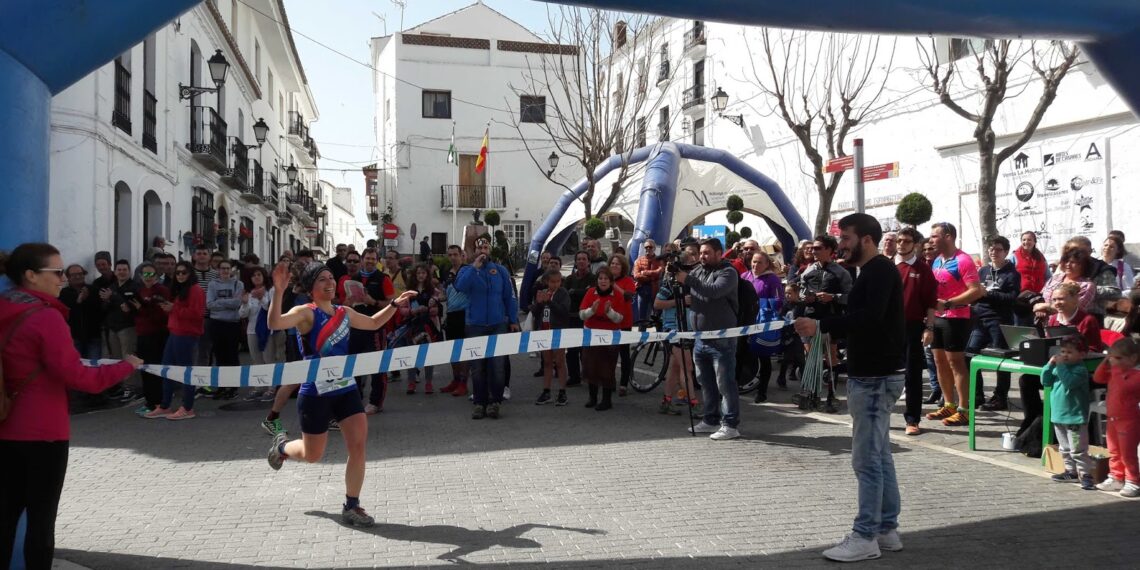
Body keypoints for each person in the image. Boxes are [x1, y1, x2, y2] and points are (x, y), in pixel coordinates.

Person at [0, 243, 142, 569]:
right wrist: (125, 366)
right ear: (31, 276)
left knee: (4, 520)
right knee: (40, 523)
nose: (63, 279)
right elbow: (80, 377)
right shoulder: (45, 318)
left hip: (5, 427)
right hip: (43, 434)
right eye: (57, 272)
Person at [266, 262, 416, 527]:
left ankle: (352, 505)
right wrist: (278, 292)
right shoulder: (305, 313)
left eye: (331, 278)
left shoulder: (344, 312)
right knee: (313, 455)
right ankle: (281, 447)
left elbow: (371, 323)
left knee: (358, 445)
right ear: (311, 288)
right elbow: (275, 323)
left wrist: (394, 304)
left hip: (345, 389)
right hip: (315, 393)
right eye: (322, 279)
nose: (330, 283)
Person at [793, 213, 906, 563]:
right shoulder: (872, 271)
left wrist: (821, 325)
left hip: (875, 376)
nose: (840, 245)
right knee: (879, 454)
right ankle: (886, 528)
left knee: (866, 459)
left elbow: (869, 318)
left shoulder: (880, 271)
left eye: (845, 238)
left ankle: (865, 535)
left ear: (866, 240)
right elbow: (866, 316)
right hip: (872, 372)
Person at [1016, 282, 1104, 436]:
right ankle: (1033, 421)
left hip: (1081, 373)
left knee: (1060, 385)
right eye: (1054, 299)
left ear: (1075, 299)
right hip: (1059, 368)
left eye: (1061, 299)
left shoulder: (1088, 320)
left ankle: (1046, 426)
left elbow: (1094, 350)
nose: (1057, 303)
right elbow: (1050, 344)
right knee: (1026, 380)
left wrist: (1072, 355)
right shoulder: (1053, 319)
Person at [675, 238, 741, 440]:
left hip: (722, 339)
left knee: (725, 383)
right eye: (700, 253)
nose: (702, 257)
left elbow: (714, 291)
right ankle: (711, 419)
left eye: (706, 253)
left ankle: (730, 424)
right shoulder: (698, 271)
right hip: (700, 339)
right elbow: (688, 285)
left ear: (719, 253)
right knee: (706, 381)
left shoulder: (728, 272)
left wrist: (687, 279)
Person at [926, 222, 984, 428]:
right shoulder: (937, 260)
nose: (931, 240)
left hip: (958, 316)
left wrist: (950, 303)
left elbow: (976, 290)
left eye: (935, 236)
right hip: (939, 317)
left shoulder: (963, 260)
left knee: (955, 363)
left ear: (948, 236)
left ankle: (964, 410)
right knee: (939, 361)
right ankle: (949, 403)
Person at [455, 238, 520, 419]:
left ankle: (495, 401)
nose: (482, 250)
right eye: (479, 248)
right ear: (474, 250)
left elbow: (510, 297)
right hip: (474, 325)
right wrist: (474, 266)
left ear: (490, 249)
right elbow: (459, 286)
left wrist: (513, 319)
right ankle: (479, 403)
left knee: (497, 366)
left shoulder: (500, 271)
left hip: (497, 325)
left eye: (485, 247)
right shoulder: (468, 270)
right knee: (477, 367)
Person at [144, 261, 207, 420]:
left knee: (186, 372)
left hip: (186, 335)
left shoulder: (196, 290)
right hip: (175, 333)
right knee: (167, 370)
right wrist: (169, 309)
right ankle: (165, 405)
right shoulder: (181, 290)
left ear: (190, 273)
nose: (180, 275)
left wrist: (174, 309)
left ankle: (187, 407)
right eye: (178, 272)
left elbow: (197, 314)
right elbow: (181, 313)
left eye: (183, 272)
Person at [968, 236, 1021, 412]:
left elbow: (1012, 298)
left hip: (999, 320)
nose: (993, 252)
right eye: (991, 249)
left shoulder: (1012, 273)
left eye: (998, 249)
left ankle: (1000, 397)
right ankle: (976, 396)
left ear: (1006, 252)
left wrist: (988, 294)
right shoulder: (983, 271)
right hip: (979, 319)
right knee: (969, 354)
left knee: (1000, 361)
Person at [895, 227, 937, 435]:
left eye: (907, 241)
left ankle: (912, 420)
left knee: (912, 375)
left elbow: (931, 303)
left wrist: (929, 328)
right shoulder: (886, 266)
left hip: (912, 327)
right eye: (899, 241)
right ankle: (880, 415)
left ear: (916, 245)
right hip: (888, 327)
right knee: (883, 372)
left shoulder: (924, 270)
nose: (902, 244)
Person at [343, 249, 394, 414]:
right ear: (362, 260)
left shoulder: (383, 279)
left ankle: (376, 402)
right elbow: (344, 305)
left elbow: (391, 304)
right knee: (353, 365)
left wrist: (372, 301)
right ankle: (355, 400)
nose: (370, 261)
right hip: (356, 327)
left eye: (373, 259)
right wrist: (348, 303)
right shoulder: (353, 279)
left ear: (377, 260)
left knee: (377, 366)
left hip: (376, 328)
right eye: (367, 258)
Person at [1041, 336, 1096, 490]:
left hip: (1075, 417)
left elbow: (1069, 382)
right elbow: (1045, 381)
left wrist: (1059, 366)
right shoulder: (1060, 367)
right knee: (1064, 448)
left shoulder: (1080, 370)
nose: (1064, 355)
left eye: (1070, 352)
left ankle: (1086, 475)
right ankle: (1070, 471)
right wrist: (1049, 365)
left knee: (1078, 449)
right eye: (1063, 351)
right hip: (1059, 415)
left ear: (1082, 355)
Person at [1091, 337, 1140, 497]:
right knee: (1113, 450)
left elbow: (1127, 387)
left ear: (1132, 359)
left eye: (1119, 358)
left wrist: (1117, 370)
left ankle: (1133, 480)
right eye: (1113, 357)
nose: (1114, 361)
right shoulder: (1112, 372)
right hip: (1113, 418)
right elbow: (1097, 378)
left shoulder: (1135, 375)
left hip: (1129, 420)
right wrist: (1105, 362)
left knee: (1128, 453)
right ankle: (1116, 477)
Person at [654, 251, 700, 415]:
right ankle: (694, 404)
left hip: (687, 329)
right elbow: (657, 303)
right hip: (674, 329)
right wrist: (680, 301)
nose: (692, 267)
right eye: (689, 264)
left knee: (675, 367)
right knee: (687, 367)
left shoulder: (692, 282)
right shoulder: (670, 283)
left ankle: (666, 402)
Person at [578, 267, 626, 411]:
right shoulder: (590, 292)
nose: (603, 281)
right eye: (600, 278)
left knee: (606, 368)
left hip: (610, 337)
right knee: (590, 366)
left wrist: (609, 312)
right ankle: (592, 398)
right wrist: (591, 311)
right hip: (591, 335)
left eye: (606, 279)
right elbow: (581, 315)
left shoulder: (617, 295)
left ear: (611, 281)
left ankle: (606, 400)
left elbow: (620, 319)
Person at [743, 251, 784, 403]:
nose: (755, 265)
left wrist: (765, 306)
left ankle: (762, 391)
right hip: (744, 321)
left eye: (760, 262)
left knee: (763, 356)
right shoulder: (745, 276)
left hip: (762, 322)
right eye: (754, 261)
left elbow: (779, 300)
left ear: (767, 264)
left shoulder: (772, 279)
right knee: (741, 353)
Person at [399, 263, 445, 394]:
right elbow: (401, 310)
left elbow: (439, 308)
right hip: (412, 326)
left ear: (427, 275)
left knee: (429, 355)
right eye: (418, 273)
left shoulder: (433, 291)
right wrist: (413, 311)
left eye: (423, 273)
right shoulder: (408, 292)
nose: (421, 275)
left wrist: (430, 309)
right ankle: (411, 382)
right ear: (414, 275)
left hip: (429, 326)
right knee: (411, 354)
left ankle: (429, 383)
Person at [133, 262, 171, 416]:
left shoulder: (161, 290)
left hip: (157, 335)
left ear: (156, 275)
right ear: (141, 276)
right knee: (145, 369)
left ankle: (159, 403)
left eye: (151, 274)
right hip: (142, 334)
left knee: (155, 370)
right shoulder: (141, 290)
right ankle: (149, 402)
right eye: (145, 274)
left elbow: (162, 315)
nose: (148, 277)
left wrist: (142, 309)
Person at [532, 269, 571, 406]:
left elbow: (564, 312)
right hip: (544, 331)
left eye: (558, 282)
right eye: (552, 282)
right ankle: (546, 391)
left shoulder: (563, 293)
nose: (555, 285)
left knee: (560, 361)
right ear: (547, 282)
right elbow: (536, 313)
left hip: (558, 331)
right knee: (547, 362)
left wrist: (550, 302)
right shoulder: (543, 292)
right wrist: (539, 303)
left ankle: (562, 391)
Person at [206, 259, 244, 399]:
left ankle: (233, 386)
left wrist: (219, 302)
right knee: (220, 356)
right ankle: (221, 386)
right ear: (218, 270)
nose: (225, 271)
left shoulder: (238, 284)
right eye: (223, 268)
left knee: (232, 356)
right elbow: (209, 304)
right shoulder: (212, 284)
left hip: (232, 323)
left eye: (228, 268)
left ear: (231, 270)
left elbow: (237, 303)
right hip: (216, 323)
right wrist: (228, 303)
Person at [240, 266, 274, 400]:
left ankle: (272, 388)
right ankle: (259, 387)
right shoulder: (248, 293)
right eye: (253, 275)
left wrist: (261, 298)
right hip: (252, 330)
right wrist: (244, 303)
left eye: (259, 274)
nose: (256, 277)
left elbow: (270, 308)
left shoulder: (270, 290)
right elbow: (242, 314)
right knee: (256, 359)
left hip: (267, 329)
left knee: (269, 359)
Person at [440, 245, 470, 397]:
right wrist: (437, 298)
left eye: (455, 254)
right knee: (453, 351)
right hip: (451, 314)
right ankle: (455, 380)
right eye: (450, 254)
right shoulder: (446, 272)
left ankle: (463, 383)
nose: (452, 257)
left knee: (464, 351)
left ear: (461, 255)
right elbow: (446, 293)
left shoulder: (467, 271)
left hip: (464, 314)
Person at [563, 251, 595, 388]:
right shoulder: (570, 279)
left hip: (587, 319)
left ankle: (587, 375)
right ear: (575, 262)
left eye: (584, 259)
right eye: (579, 259)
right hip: (572, 318)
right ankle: (574, 376)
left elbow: (591, 294)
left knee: (586, 351)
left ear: (588, 262)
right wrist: (580, 292)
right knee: (571, 351)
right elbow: (565, 294)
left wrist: (574, 292)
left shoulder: (593, 278)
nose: (581, 261)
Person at [59, 264, 102, 361]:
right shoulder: (63, 293)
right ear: (68, 277)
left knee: (93, 368)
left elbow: (101, 311)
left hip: (93, 337)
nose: (78, 276)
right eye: (74, 275)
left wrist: (89, 299)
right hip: (73, 338)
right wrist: (78, 301)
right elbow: (63, 313)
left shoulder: (94, 290)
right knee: (75, 367)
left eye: (80, 273)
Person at [609, 254, 636, 396]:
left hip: (624, 322)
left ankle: (624, 384)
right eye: (612, 263)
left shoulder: (628, 280)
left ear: (623, 267)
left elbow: (628, 296)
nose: (614, 266)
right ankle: (610, 380)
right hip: (609, 322)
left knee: (624, 353)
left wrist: (614, 286)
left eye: (617, 264)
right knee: (610, 354)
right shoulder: (604, 280)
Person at [1011, 231, 1048, 326]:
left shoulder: (1041, 257)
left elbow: (1048, 276)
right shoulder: (1014, 256)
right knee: (1021, 327)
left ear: (1034, 242)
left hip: (1038, 297)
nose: (1026, 242)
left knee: (1037, 327)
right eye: (1024, 240)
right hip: (1021, 298)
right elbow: (1009, 275)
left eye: (1029, 240)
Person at [922, 238, 941, 403]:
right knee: (929, 355)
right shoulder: (923, 267)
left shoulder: (941, 265)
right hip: (927, 315)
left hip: (943, 315)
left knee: (940, 357)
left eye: (931, 249)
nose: (928, 253)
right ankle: (935, 389)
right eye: (925, 250)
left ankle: (944, 392)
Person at [632, 239, 665, 323]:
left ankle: (659, 333)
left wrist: (645, 272)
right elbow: (636, 275)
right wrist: (650, 277)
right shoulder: (639, 260)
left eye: (650, 247)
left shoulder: (659, 260)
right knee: (642, 317)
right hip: (642, 289)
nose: (648, 249)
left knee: (657, 315)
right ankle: (641, 333)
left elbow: (659, 272)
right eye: (646, 247)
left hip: (656, 289)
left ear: (654, 248)